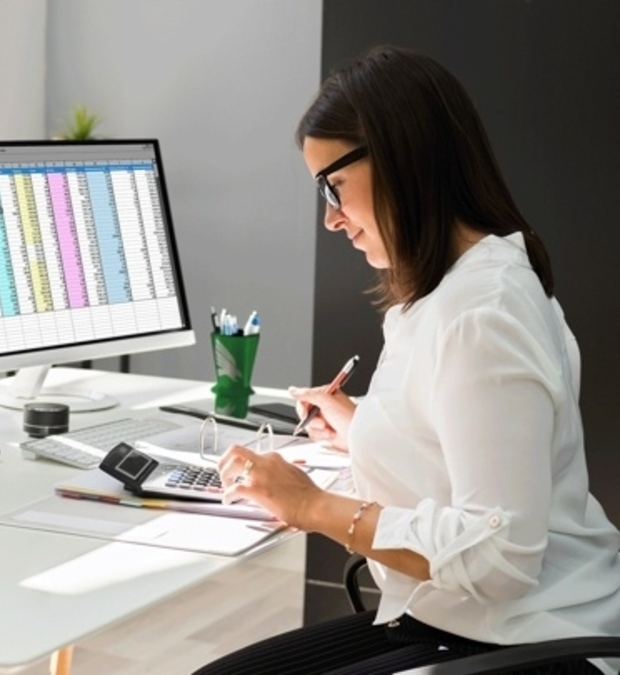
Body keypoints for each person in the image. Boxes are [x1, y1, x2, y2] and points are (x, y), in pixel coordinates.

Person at [193, 46, 620, 675]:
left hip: (526, 639)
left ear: (400, 160)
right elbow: (466, 438)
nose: (332, 219)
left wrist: (312, 507)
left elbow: (498, 557)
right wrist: (366, 425)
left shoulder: (484, 314)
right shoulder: (457, 286)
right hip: (453, 620)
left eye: (332, 186)